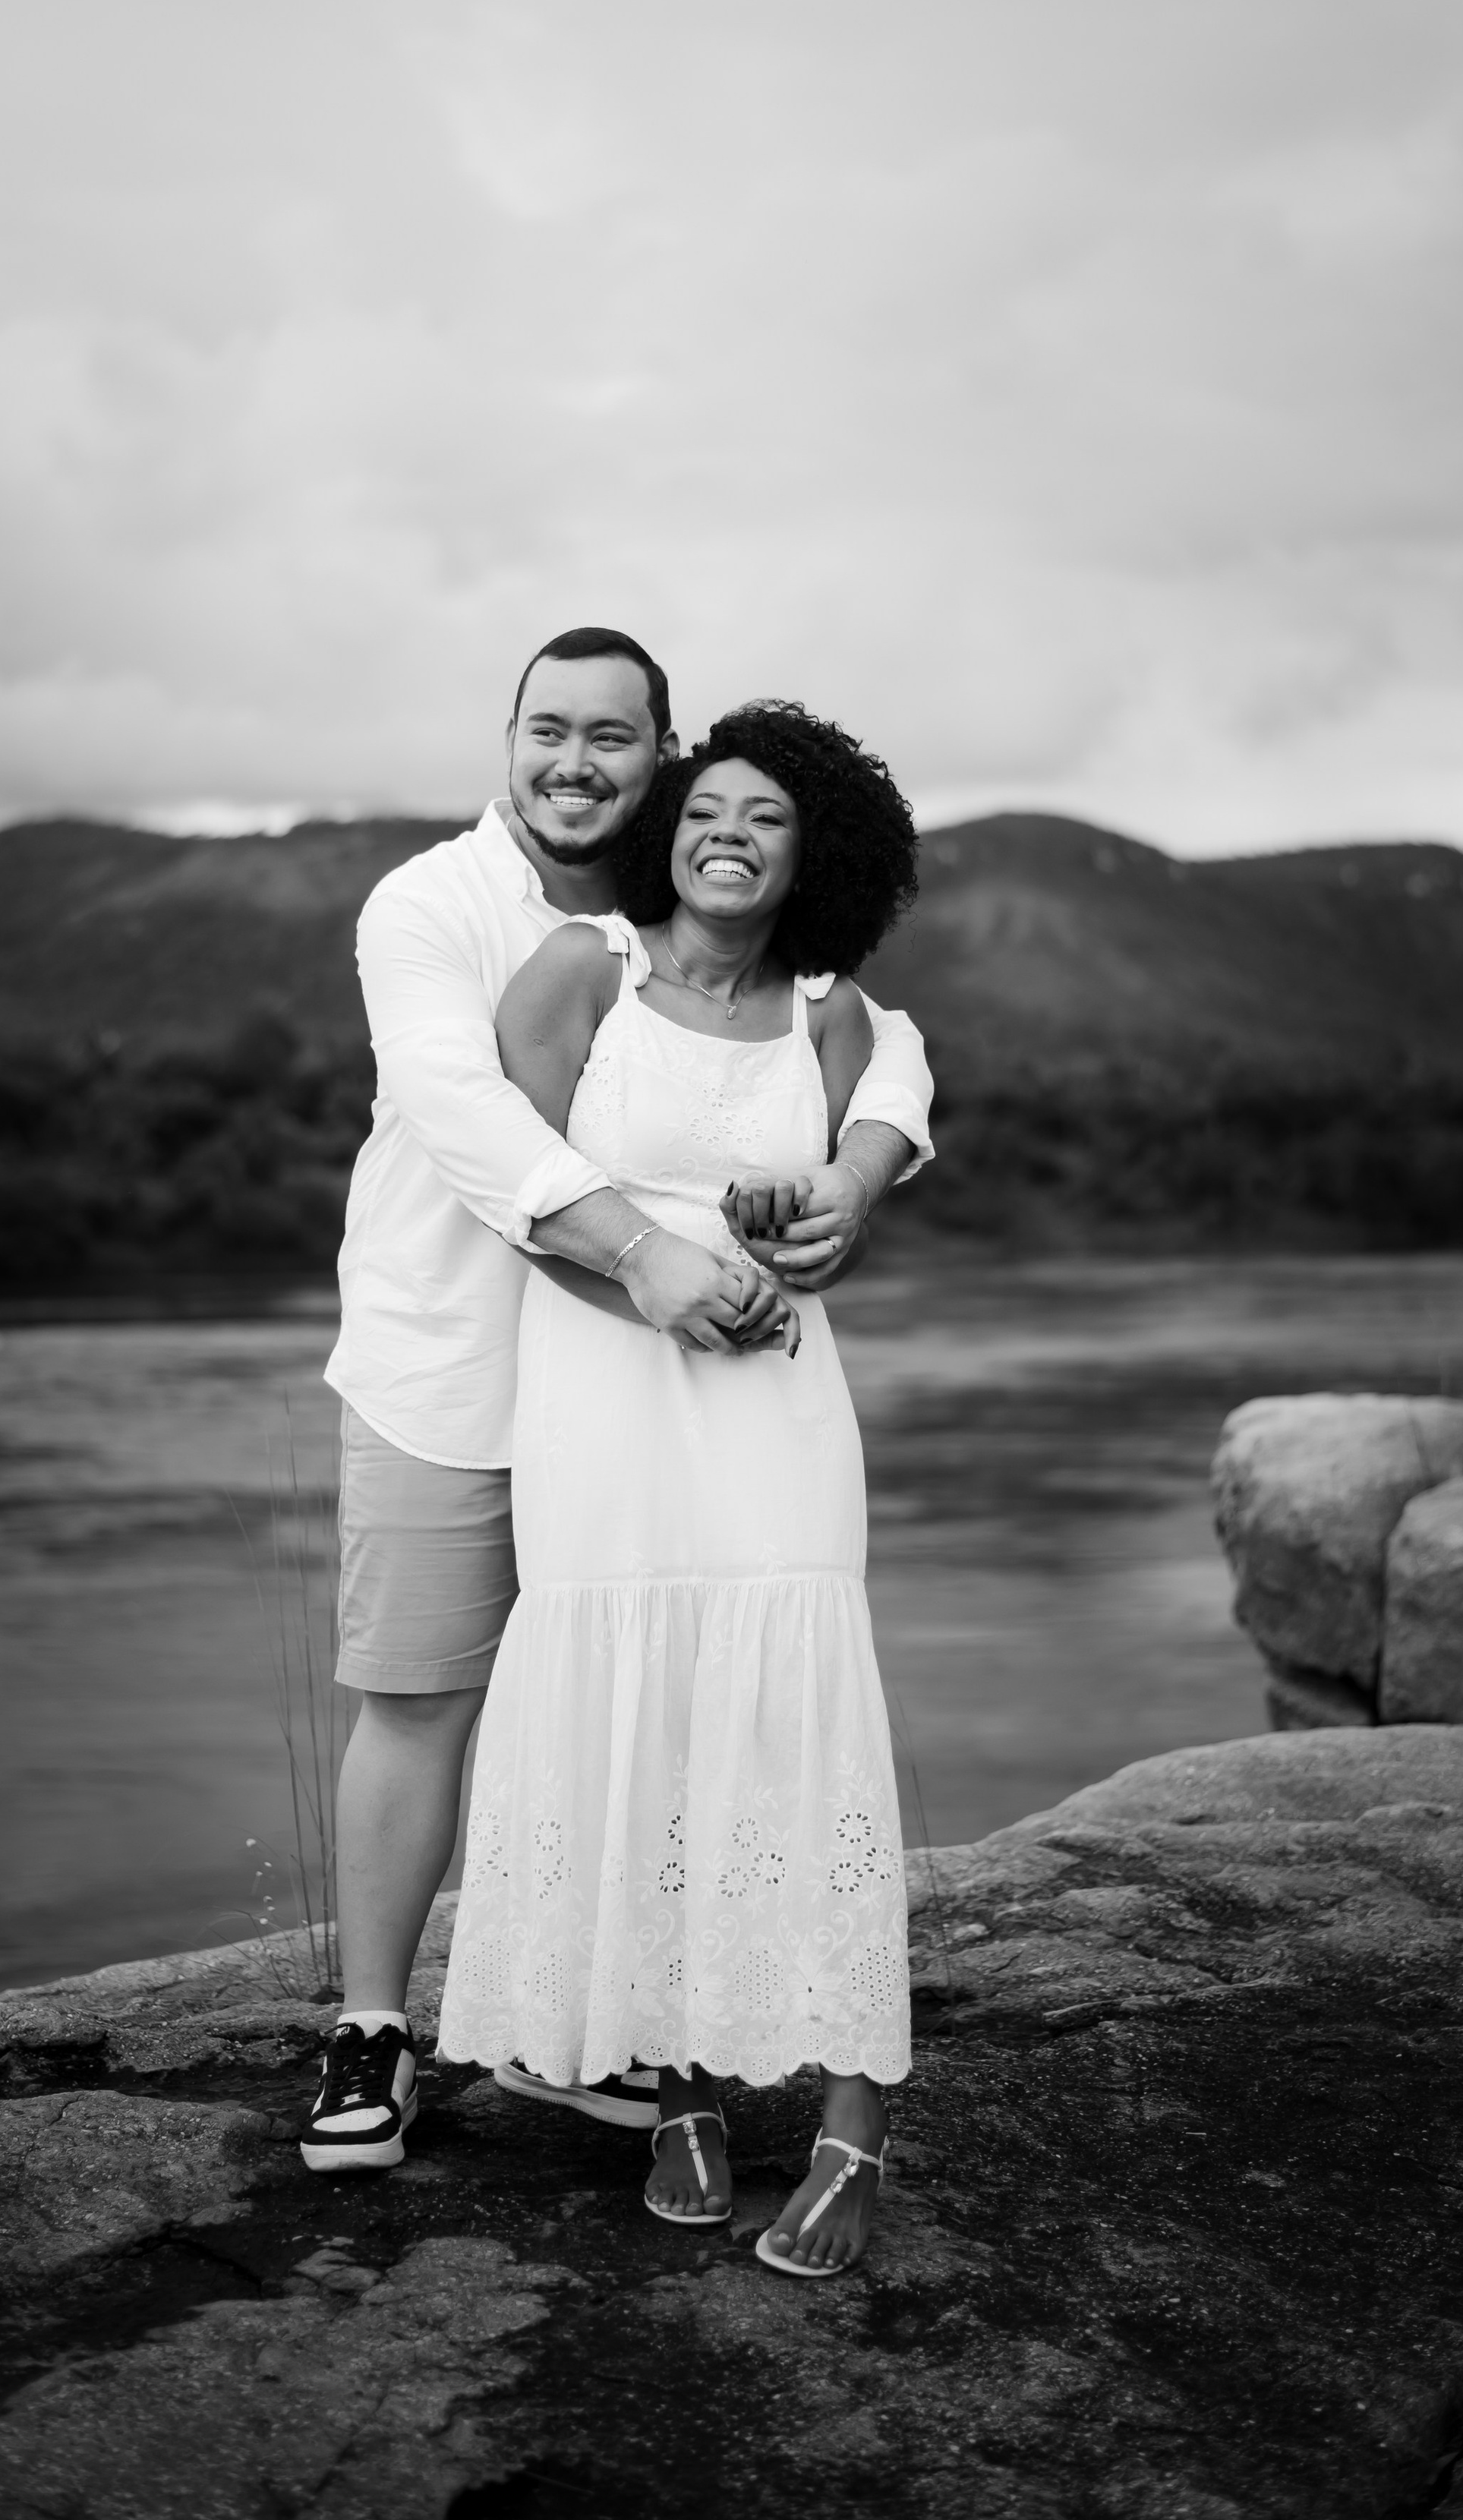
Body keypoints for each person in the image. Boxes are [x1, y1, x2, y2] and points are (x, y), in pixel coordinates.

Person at [300, 632, 933, 2173]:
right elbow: (467, 1115)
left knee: (654, 1705)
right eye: (546, 730)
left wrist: (848, 1174)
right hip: (451, 1362)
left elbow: (882, 1048)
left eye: (612, 737)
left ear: (659, 754)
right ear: (505, 739)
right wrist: (648, 1257)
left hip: (681, 1396)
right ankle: (372, 2031)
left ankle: (605, 2035)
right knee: (424, 1694)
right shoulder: (434, 906)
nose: (574, 763)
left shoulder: (735, 940)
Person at [438, 701, 918, 2278]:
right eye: (703, 803)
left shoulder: (833, 1015)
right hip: (603, 1398)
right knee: (640, 1725)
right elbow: (517, 1197)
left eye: (765, 815)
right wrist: (664, 1289)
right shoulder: (585, 971)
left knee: (795, 1718)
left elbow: (880, 1135)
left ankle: (851, 2134)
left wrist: (818, 1217)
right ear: (665, 826)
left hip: (778, 1403)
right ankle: (683, 2093)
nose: (726, 829)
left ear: (812, 851)